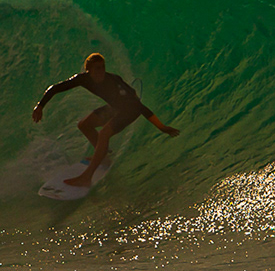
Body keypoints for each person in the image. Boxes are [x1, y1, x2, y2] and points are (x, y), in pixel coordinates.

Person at [32, 53, 180, 187]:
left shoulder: (114, 80)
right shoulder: (82, 79)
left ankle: (86, 177)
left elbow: (140, 107)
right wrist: (40, 105)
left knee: (104, 134)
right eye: (97, 68)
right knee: (84, 125)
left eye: (102, 67)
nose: (101, 71)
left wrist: (162, 127)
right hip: (115, 107)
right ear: (88, 70)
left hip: (130, 110)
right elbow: (56, 88)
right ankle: (103, 158)